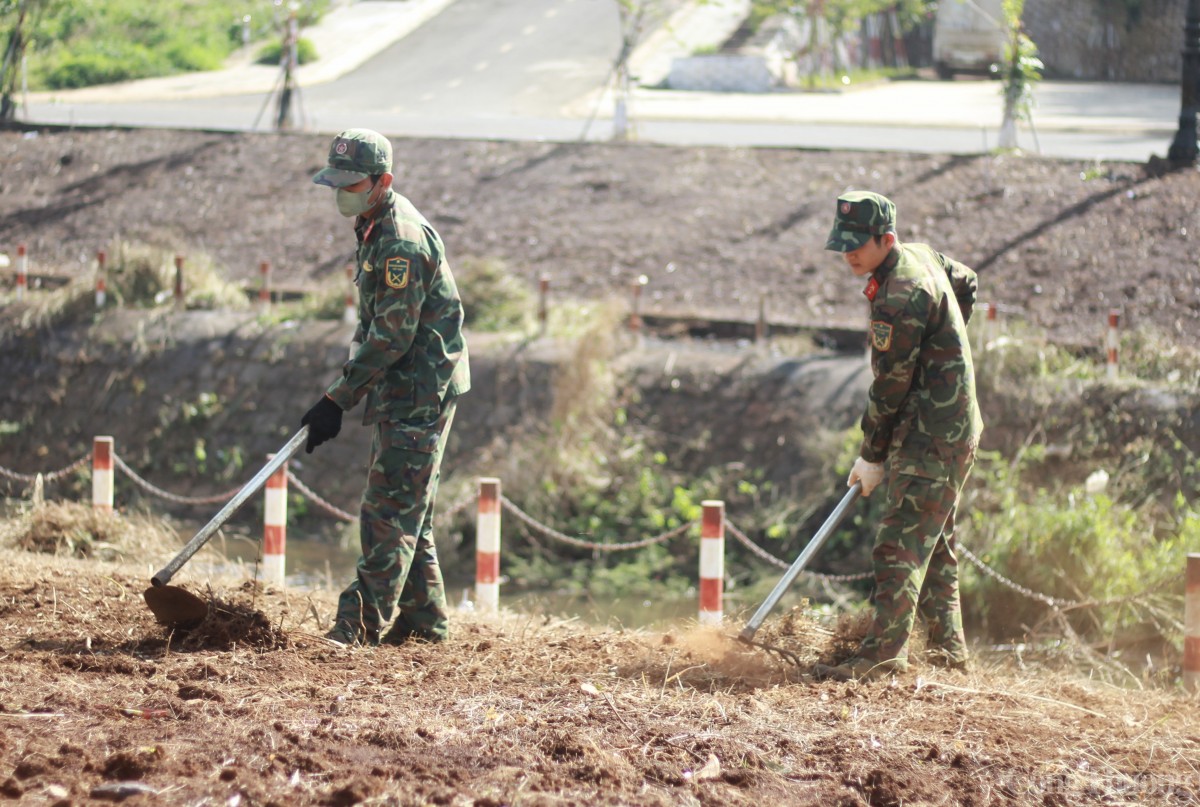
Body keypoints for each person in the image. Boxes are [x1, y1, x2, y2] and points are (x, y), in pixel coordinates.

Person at [302, 128, 470, 647]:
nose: (342, 193)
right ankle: (424, 624)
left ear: (383, 182)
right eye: (337, 183)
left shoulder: (399, 239)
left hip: (419, 389)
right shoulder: (373, 223)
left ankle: (356, 625)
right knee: (406, 507)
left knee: (388, 510)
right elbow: (376, 327)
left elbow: (392, 336)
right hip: (404, 386)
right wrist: (347, 388)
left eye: (352, 184)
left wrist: (337, 398)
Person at [813, 191, 983, 682]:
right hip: (952, 430)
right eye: (842, 244)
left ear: (886, 239)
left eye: (857, 245)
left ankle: (882, 659)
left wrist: (872, 454)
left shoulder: (897, 297)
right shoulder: (922, 255)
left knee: (898, 546)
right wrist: (946, 343)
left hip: (930, 437)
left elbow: (888, 387)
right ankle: (950, 659)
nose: (848, 253)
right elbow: (966, 281)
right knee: (934, 545)